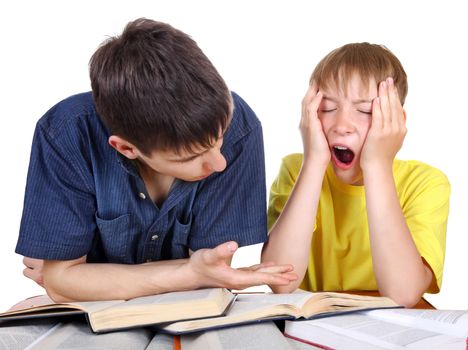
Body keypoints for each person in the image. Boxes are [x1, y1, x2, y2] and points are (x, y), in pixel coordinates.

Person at [16, 18, 296, 302]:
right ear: (126, 148)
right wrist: (190, 272)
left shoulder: (239, 125)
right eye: (191, 156)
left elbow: (212, 275)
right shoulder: (65, 133)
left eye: (219, 138)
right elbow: (62, 286)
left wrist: (85, 277)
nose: (219, 163)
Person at [261, 43, 450, 307]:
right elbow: (280, 281)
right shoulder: (296, 170)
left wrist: (378, 166)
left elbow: (404, 294)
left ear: (395, 121)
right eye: (327, 108)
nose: (341, 126)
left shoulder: (426, 183)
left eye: (365, 111)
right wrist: (314, 161)